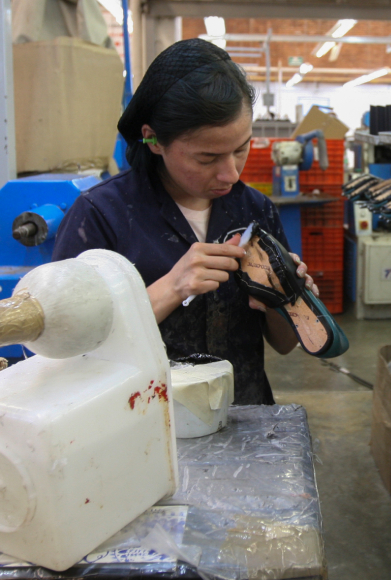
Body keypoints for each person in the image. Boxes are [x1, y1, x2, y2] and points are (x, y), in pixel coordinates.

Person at [53, 39, 318, 405]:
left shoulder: (254, 210)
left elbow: (285, 344)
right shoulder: (101, 215)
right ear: (153, 140)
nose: (231, 173)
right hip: (146, 420)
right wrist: (171, 288)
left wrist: (286, 299)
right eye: (207, 158)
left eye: (241, 148)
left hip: (244, 416)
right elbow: (67, 348)